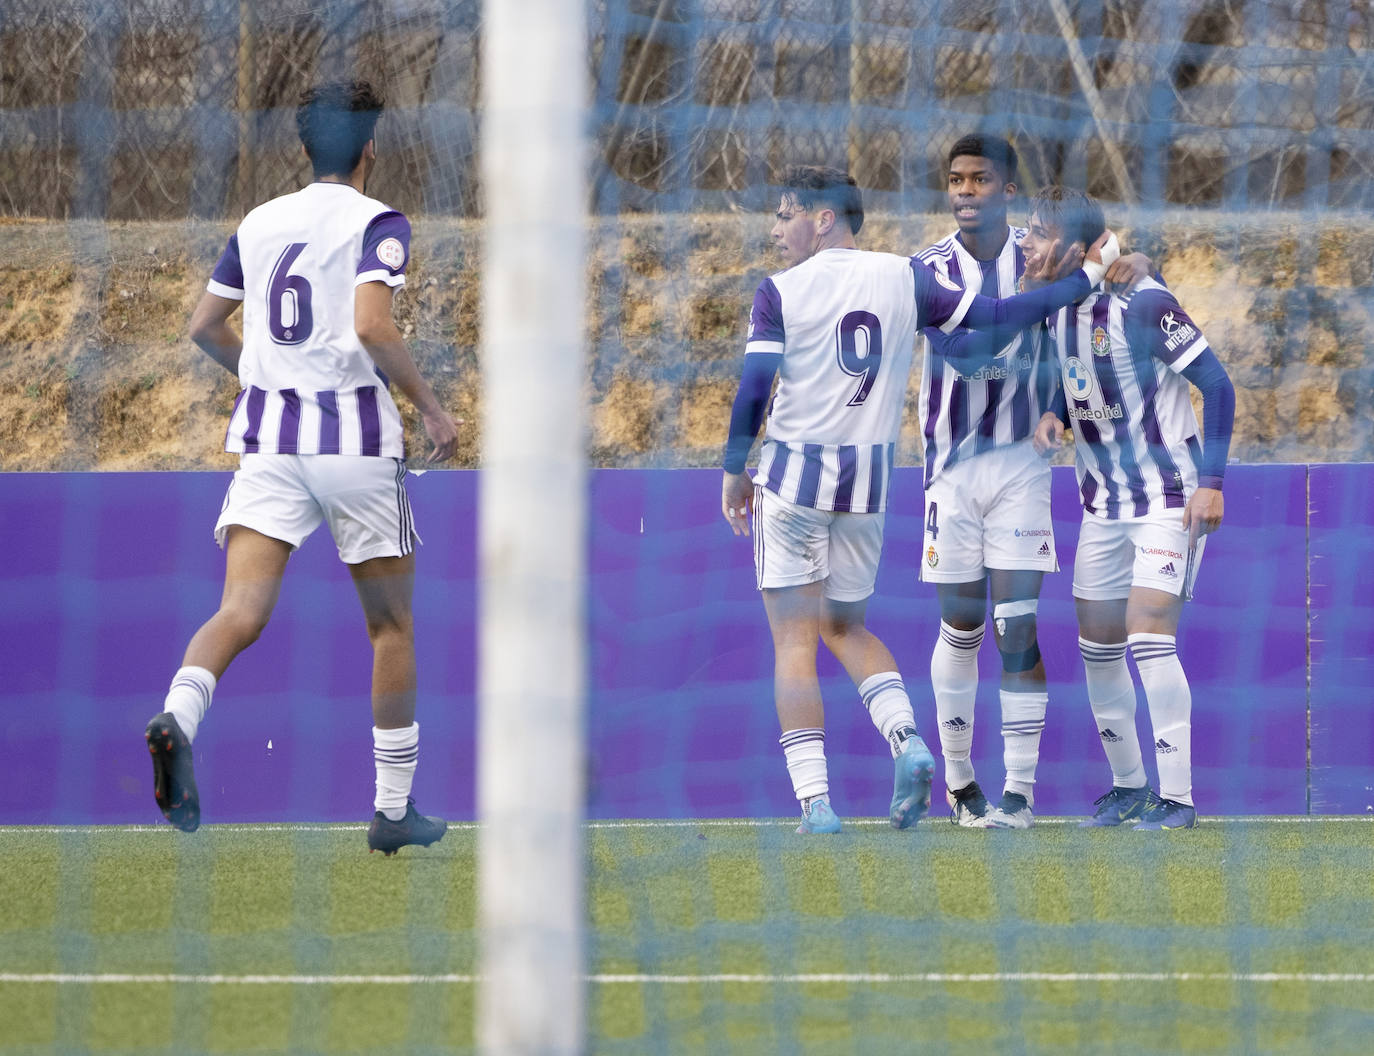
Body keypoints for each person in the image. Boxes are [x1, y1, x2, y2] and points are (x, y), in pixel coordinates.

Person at [721, 164, 1120, 834]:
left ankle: (816, 805)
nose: (776, 227)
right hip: (866, 492)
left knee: (794, 640)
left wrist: (735, 469)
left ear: (824, 216)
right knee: (846, 627)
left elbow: (755, 389)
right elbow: (994, 317)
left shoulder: (779, 291)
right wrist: (1083, 280)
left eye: (786, 212)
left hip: (792, 483)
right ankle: (908, 741)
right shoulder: (902, 274)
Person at [143, 80, 460, 855]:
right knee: (390, 625)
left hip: (270, 445)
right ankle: (391, 809)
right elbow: (372, 323)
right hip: (352, 443)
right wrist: (429, 404)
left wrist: (262, 378)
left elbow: (203, 325)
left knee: (240, 614)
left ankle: (177, 719)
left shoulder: (258, 222)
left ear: (304, 145)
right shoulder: (378, 220)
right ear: (369, 147)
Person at [913, 135, 1151, 829]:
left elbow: (1110, 250)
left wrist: (1130, 261)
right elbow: (968, 346)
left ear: (1006, 190)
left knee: (1017, 629)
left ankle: (1018, 794)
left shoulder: (1038, 247)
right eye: (955, 179)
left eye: (980, 180)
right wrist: (1069, 286)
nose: (964, 191)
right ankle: (961, 785)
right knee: (961, 627)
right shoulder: (929, 268)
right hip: (951, 470)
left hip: (1021, 467)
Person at [1028, 186, 1235, 830]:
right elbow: (1080, 373)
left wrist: (1213, 482)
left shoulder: (1144, 301)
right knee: (1097, 647)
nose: (1027, 246)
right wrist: (1054, 416)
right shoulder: (1051, 304)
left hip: (1166, 498)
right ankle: (1130, 786)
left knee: (1148, 636)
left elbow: (1217, 385)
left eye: (1038, 235)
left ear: (1079, 246)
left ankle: (1177, 796)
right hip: (1101, 506)